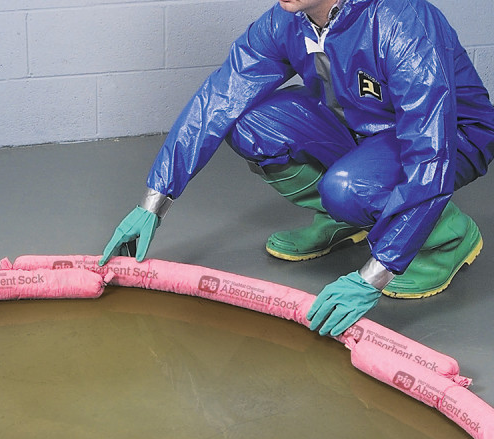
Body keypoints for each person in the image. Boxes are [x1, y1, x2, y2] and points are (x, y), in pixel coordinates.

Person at [99, 0, 494, 337]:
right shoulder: (287, 20)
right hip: (358, 124)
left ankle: (447, 236)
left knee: (348, 188)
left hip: (449, 135)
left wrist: (377, 274)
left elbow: (430, 151)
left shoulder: (401, 21)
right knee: (247, 124)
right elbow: (219, 97)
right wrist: (155, 200)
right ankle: (346, 218)